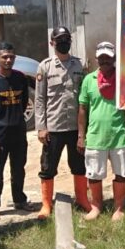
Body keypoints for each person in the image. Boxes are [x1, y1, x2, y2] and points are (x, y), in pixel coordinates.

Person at [77, 41, 125, 221]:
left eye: (108, 57)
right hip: (95, 136)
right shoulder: (89, 80)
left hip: (119, 135)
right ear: (97, 59)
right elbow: (82, 109)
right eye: (101, 57)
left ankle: (119, 208)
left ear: (114, 58)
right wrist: (81, 135)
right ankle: (96, 206)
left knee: (121, 173)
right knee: (94, 174)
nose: (105, 61)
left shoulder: (122, 79)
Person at [35, 26, 90, 219]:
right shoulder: (45, 67)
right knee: (48, 166)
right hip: (54, 127)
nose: (64, 42)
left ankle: (82, 199)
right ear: (52, 43)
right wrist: (41, 127)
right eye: (60, 40)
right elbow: (40, 99)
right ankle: (46, 204)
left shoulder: (79, 65)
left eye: (67, 39)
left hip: (76, 127)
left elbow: (85, 97)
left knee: (79, 165)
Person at [0, 42, 34, 220]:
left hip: (19, 131)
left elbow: (24, 102)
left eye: (11, 56)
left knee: (19, 167)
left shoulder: (20, 77)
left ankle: (19, 199)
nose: (8, 60)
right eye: (4, 56)